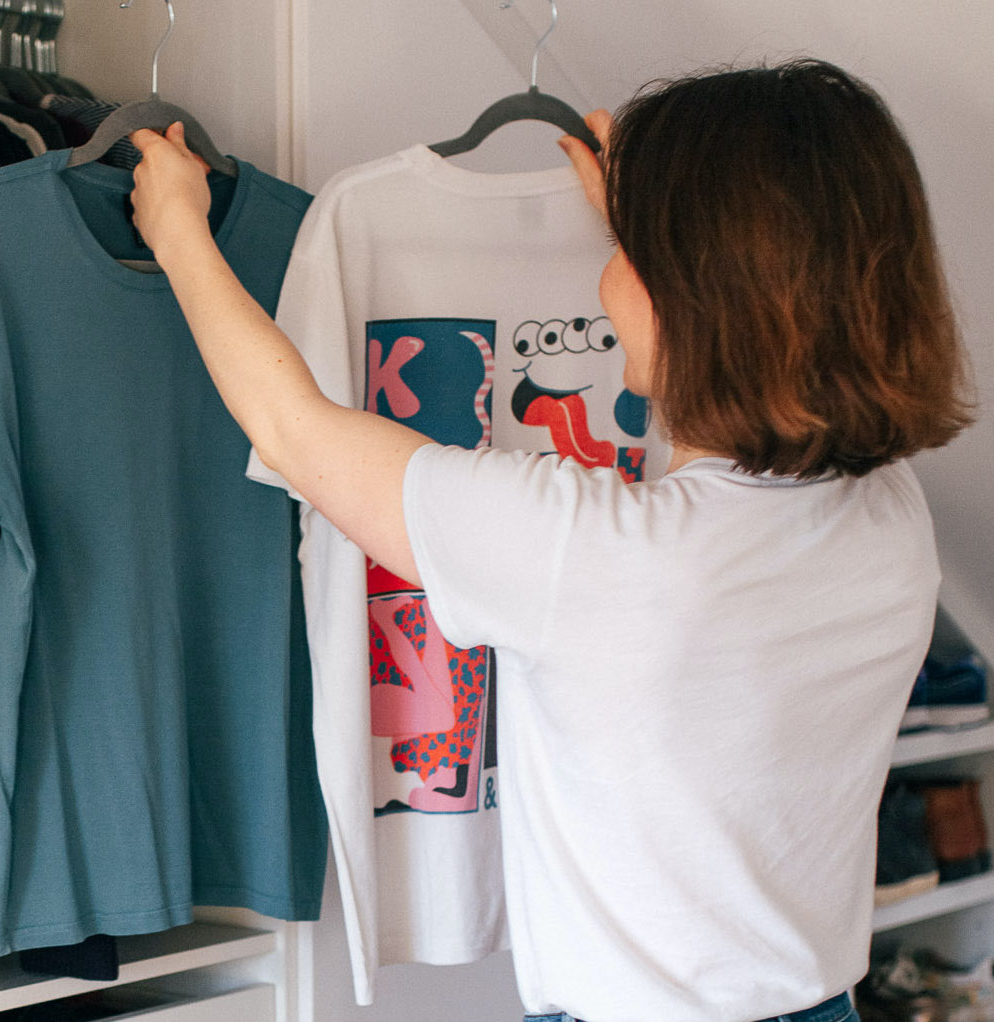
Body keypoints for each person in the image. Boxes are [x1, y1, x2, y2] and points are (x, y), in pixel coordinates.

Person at [128, 59, 972, 1022]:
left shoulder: (594, 551)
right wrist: (647, 220)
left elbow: (291, 428)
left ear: (691, 294)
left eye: (630, 257)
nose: (606, 282)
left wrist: (178, 230)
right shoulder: (888, 512)